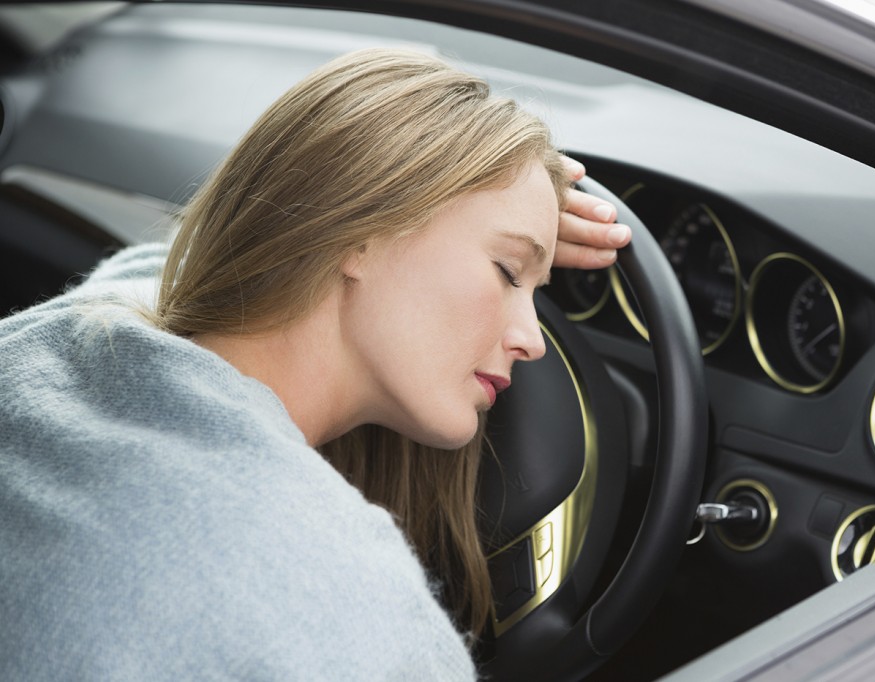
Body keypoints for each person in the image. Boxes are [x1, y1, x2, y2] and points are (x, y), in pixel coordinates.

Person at [0, 48, 629, 679]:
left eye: (536, 290)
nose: (532, 339)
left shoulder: (61, 342)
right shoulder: (340, 596)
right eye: (506, 271)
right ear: (359, 231)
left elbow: (179, 262)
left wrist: (517, 219)